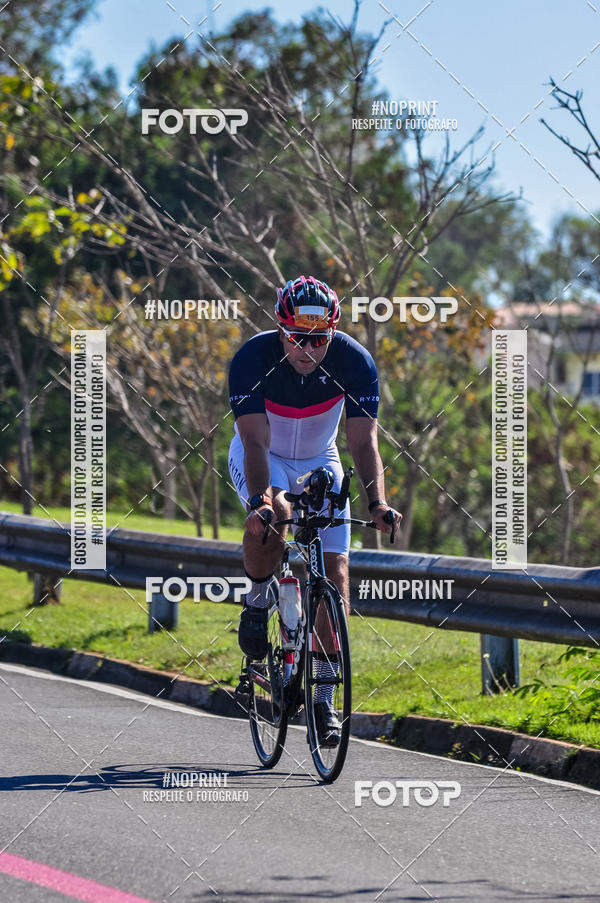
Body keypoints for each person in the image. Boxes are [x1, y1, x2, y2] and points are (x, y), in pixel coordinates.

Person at [228, 275, 402, 746]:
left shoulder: (354, 361)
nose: (307, 349)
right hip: (263, 454)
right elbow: (254, 441)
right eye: (297, 337)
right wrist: (262, 501)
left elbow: (363, 443)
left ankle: (323, 698)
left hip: (320, 459)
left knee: (336, 570)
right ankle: (259, 598)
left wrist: (377, 502)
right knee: (276, 515)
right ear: (280, 329)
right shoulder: (252, 358)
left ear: (333, 332)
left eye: (319, 339)